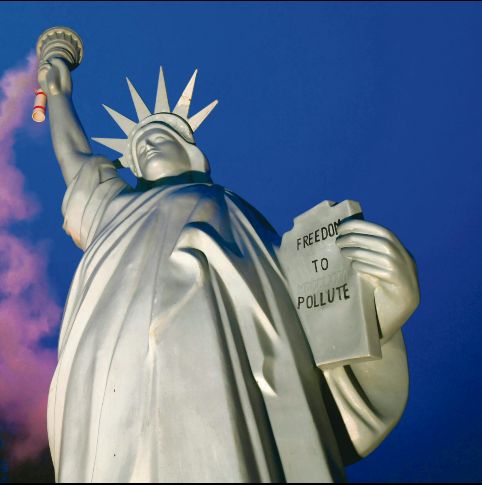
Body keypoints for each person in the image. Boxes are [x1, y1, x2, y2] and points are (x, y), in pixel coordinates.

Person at [39, 57, 419, 483]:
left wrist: (382, 304)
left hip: (216, 368)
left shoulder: (233, 211)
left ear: (190, 151)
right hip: (108, 371)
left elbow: (312, 311)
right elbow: (74, 159)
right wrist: (57, 94)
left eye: (159, 135)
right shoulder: (114, 209)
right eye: (137, 145)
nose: (145, 144)